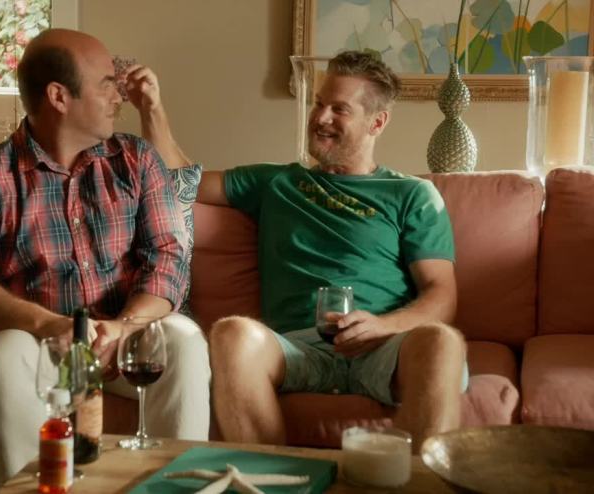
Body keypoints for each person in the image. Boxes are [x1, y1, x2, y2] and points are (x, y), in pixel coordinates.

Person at [0, 28, 209, 486]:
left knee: (183, 338)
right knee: (3, 353)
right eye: (106, 84)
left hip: (125, 340)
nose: (118, 95)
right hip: (41, 349)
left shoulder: (137, 160)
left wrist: (125, 326)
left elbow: (168, 259)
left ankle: (176, 488)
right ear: (59, 96)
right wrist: (48, 325)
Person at [190, 51, 467, 449]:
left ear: (377, 122)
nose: (320, 118)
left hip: (383, 346)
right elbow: (180, 180)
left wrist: (383, 326)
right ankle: (269, 477)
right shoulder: (277, 182)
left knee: (443, 343)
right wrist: (153, 110)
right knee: (231, 333)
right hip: (296, 348)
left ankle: (412, 479)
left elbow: (442, 294)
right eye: (319, 103)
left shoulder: (412, 194)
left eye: (339, 109)